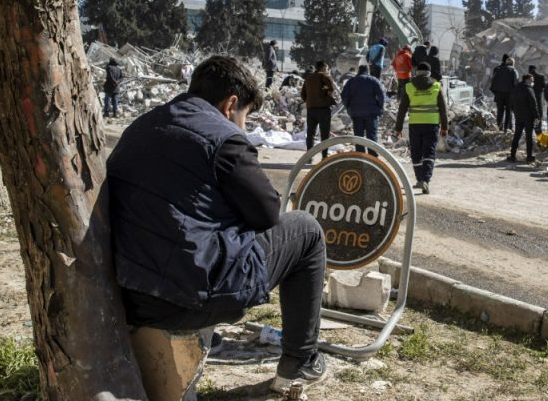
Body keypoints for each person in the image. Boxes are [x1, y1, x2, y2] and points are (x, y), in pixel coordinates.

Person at [107, 55, 328, 393]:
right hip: (185, 299)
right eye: (245, 117)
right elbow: (267, 213)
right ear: (231, 104)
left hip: (130, 292)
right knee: (306, 230)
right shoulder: (225, 138)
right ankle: (300, 362)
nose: (242, 125)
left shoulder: (143, 125)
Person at [395, 62, 449, 195]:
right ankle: (426, 180)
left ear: (416, 72)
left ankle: (420, 179)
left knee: (416, 152)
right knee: (429, 152)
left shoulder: (409, 86)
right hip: (431, 124)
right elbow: (443, 109)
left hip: (415, 124)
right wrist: (445, 127)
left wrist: (398, 128)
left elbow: (402, 110)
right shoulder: (436, 86)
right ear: (429, 73)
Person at [341, 65, 386, 156]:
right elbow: (381, 95)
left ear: (358, 71)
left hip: (356, 114)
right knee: (372, 137)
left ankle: (360, 158)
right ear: (368, 71)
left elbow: (344, 96)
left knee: (358, 137)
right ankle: (373, 159)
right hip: (371, 113)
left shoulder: (351, 82)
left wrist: (349, 108)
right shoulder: (373, 80)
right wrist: (380, 107)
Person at [300, 61, 337, 161]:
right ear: (324, 67)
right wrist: (325, 93)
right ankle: (324, 156)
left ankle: (309, 156)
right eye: (327, 68)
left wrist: (310, 101)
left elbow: (303, 94)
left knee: (310, 133)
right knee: (324, 134)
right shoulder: (324, 76)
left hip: (311, 109)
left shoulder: (308, 78)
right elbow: (332, 88)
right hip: (323, 109)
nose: (328, 70)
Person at [508, 73, 540, 163]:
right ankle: (529, 157)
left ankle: (512, 156)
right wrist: (537, 116)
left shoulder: (515, 89)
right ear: (527, 79)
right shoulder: (529, 90)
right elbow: (534, 104)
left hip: (518, 116)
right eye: (532, 80)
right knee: (529, 137)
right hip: (528, 117)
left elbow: (511, 104)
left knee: (517, 135)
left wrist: (516, 112)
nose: (532, 82)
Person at [489, 57, 518, 133]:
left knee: (500, 111)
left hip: (499, 94)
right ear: (513, 63)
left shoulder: (498, 70)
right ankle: (506, 128)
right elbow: (516, 84)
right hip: (509, 95)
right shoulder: (514, 71)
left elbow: (493, 82)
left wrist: (496, 93)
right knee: (508, 111)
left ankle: (498, 126)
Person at [528, 65, 546, 131]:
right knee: (539, 116)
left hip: (528, 101)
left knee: (529, 117)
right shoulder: (541, 77)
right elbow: (545, 87)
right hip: (538, 100)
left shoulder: (526, 78)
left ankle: (529, 131)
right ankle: (538, 130)